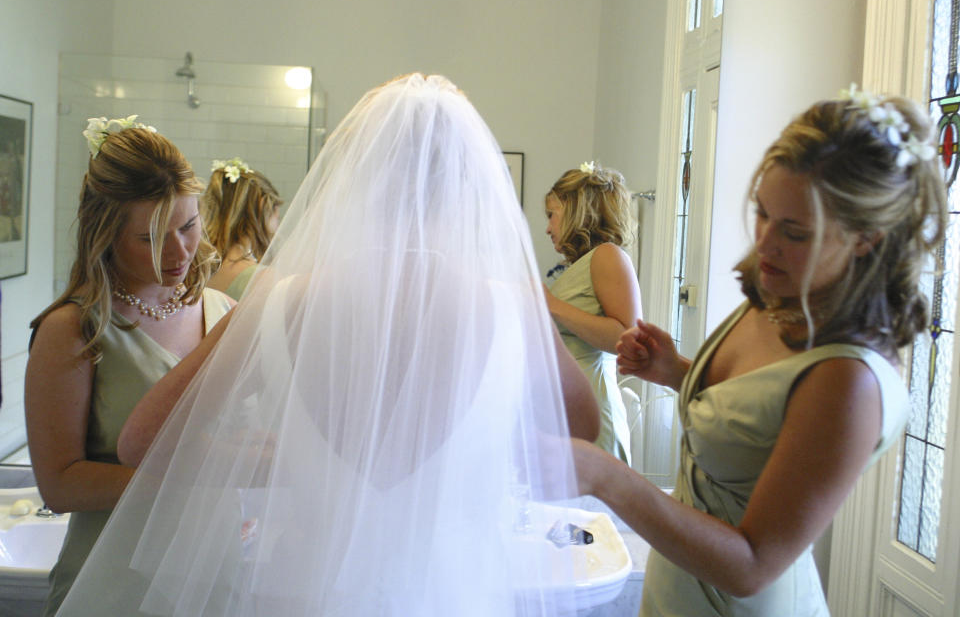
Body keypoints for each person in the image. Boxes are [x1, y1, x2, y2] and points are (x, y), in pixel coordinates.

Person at [55, 73, 600, 616]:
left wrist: (278, 458)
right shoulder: (514, 308)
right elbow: (579, 432)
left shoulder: (280, 301)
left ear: (355, 180)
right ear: (468, 188)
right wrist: (470, 451)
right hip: (457, 593)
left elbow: (142, 441)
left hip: (307, 592)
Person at [573, 86, 947, 616]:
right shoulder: (777, 293)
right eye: (763, 213)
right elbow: (758, 419)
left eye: (794, 232)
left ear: (865, 237)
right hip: (677, 589)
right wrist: (675, 371)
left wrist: (604, 475)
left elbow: (751, 564)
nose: (765, 243)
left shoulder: (848, 379)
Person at [24, 116, 234, 617]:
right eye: (152, 237)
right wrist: (200, 476)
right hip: (113, 589)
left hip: (216, 583)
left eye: (188, 226)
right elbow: (58, 485)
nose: (180, 252)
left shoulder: (223, 311)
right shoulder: (74, 329)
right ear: (107, 234)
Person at [544, 162, 642, 464]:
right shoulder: (575, 267)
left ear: (577, 211)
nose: (547, 228)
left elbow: (629, 339)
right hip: (563, 415)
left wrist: (549, 304)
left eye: (552, 215)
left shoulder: (608, 256)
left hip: (594, 415)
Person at [202, 158, 282, 300]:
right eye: (277, 217)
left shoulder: (198, 267)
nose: (278, 227)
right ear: (262, 207)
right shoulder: (262, 279)